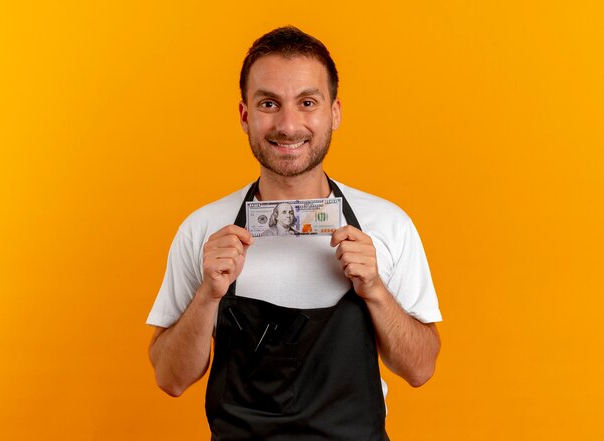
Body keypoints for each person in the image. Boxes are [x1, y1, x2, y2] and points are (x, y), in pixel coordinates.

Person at [147, 26, 442, 440]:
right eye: (269, 103)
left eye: (307, 102)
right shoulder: (203, 229)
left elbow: (421, 368)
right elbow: (170, 378)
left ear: (334, 113)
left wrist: (374, 288)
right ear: (245, 115)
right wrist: (208, 294)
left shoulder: (388, 225)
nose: (288, 125)